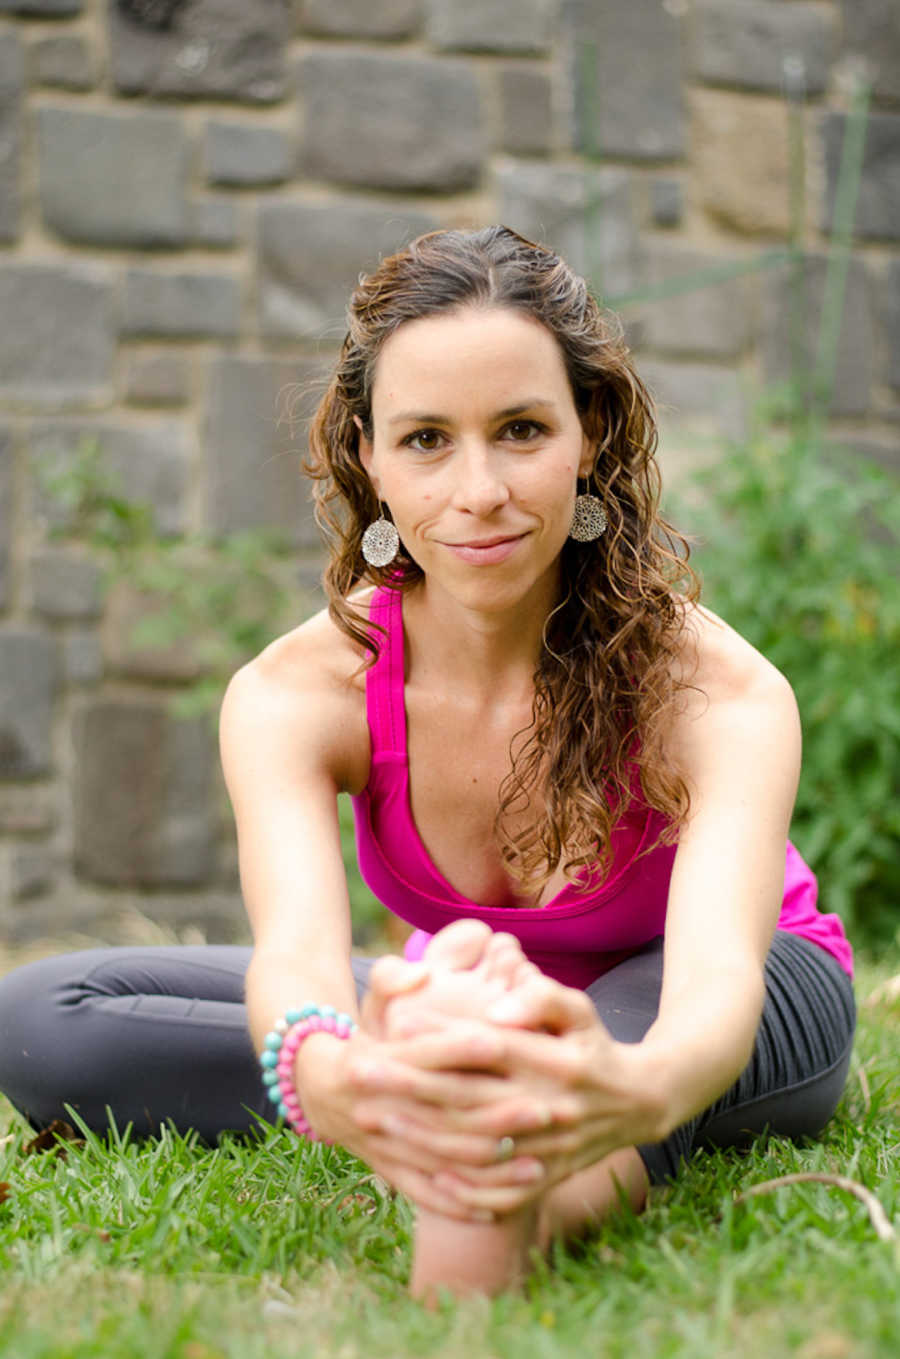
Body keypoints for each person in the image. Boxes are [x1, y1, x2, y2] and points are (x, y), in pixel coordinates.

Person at [0, 226, 855, 1299]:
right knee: (49, 1021)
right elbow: (301, 965)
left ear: (589, 433)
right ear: (368, 455)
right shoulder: (298, 696)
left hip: (720, 1000)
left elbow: (712, 1007)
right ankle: (471, 1091)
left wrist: (626, 1090)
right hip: (476, 1000)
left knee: (599, 1066)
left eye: (521, 430)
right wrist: (336, 1075)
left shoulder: (716, 692)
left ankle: (507, 1171)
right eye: (426, 441)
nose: (480, 489)